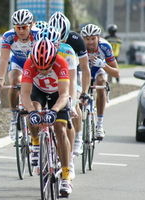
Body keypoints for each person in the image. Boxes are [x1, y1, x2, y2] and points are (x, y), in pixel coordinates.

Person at [20, 38, 73, 196]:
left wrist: (54, 110)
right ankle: (36, 144)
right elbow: (24, 94)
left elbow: (64, 94)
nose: (43, 71)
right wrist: (32, 112)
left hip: (57, 94)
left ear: (54, 59)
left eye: (46, 67)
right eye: (39, 68)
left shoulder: (61, 63)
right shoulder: (29, 63)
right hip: (39, 92)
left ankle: (66, 176)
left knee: (60, 129)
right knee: (34, 112)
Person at [48, 12, 91, 180]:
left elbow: (85, 70)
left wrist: (84, 92)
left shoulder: (76, 40)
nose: (59, 43)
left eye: (62, 39)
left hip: (74, 71)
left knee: (75, 103)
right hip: (52, 70)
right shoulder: (46, 36)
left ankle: (77, 138)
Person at [0, 9, 39, 140]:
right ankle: (13, 117)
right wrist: (0, 79)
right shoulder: (8, 36)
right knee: (15, 82)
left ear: (31, 25)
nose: (21, 31)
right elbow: (4, 59)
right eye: (17, 27)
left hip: (34, 63)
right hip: (18, 62)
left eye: (24, 27)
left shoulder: (38, 34)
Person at [80, 23, 120, 140]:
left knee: (102, 83)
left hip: (98, 70)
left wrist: (103, 65)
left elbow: (116, 73)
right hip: (83, 70)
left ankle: (100, 125)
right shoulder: (79, 46)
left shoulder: (105, 46)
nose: (90, 42)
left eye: (93, 38)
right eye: (87, 39)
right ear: (83, 39)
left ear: (98, 37)